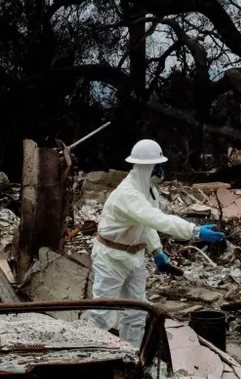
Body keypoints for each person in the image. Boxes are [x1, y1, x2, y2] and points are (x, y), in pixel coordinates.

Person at [85, 140, 225, 343]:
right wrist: (194, 231)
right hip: (111, 258)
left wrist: (156, 251)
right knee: (102, 314)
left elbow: (145, 224)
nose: (160, 170)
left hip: (135, 257)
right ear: (146, 167)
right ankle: (94, 360)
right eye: (157, 166)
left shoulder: (148, 191)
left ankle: (130, 358)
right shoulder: (128, 194)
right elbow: (158, 220)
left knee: (136, 312)